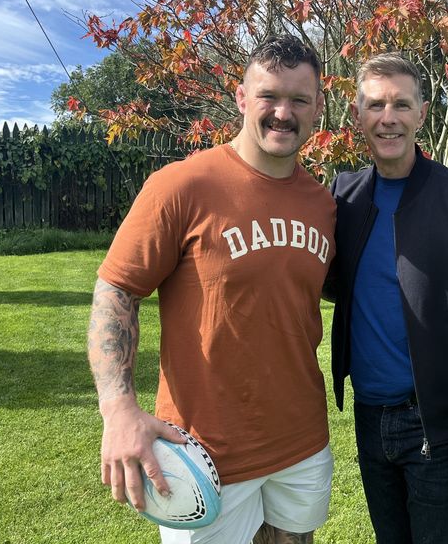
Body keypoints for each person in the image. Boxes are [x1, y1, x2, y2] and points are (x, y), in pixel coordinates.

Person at [87, 35, 336, 544]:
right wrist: (117, 409)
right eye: (269, 96)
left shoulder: (322, 204)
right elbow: (116, 291)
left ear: (317, 108)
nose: (283, 113)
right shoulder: (182, 185)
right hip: (203, 451)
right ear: (241, 98)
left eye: (299, 99)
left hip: (302, 441)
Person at [327, 52, 448, 543]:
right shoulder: (344, 198)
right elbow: (328, 279)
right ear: (357, 114)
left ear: (422, 112)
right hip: (369, 418)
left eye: (401, 104)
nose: (388, 118)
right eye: (375, 105)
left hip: (437, 427)